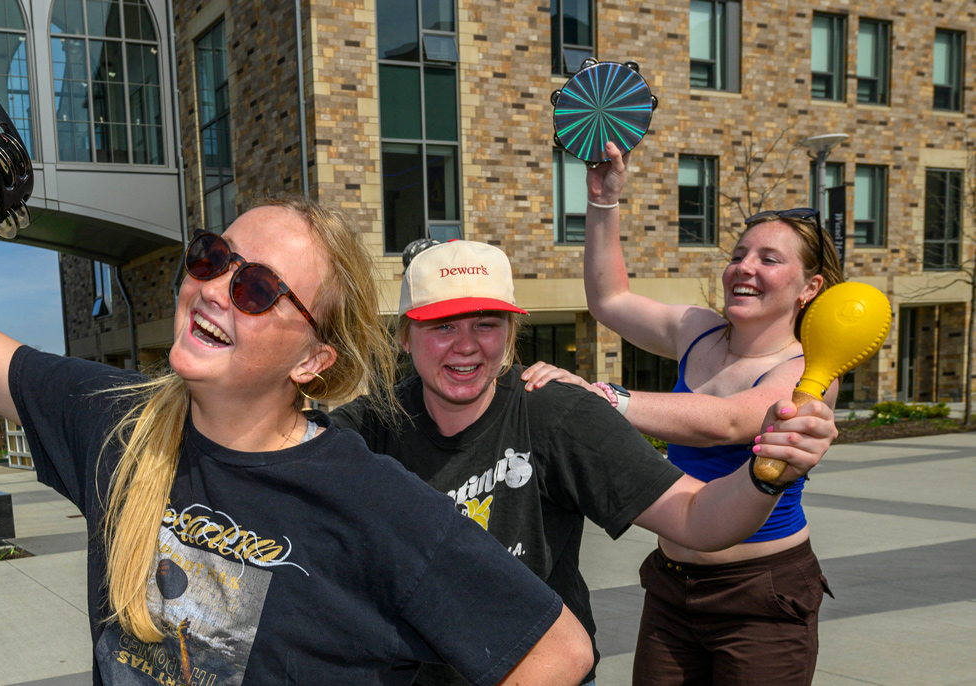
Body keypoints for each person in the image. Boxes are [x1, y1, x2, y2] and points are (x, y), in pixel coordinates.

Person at [0, 147, 593, 685]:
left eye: (257, 288)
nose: (217, 289)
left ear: (312, 359)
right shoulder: (117, 424)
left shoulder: (371, 500)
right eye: (213, 257)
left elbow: (557, 651)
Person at [331, 236, 837, 686]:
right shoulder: (372, 425)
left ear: (510, 331)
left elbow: (695, 517)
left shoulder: (556, 411)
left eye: (486, 324)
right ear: (405, 336)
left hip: (548, 671)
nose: (467, 345)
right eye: (443, 326)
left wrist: (768, 475)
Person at [522, 140, 845, 684]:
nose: (743, 268)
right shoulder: (698, 330)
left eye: (768, 260)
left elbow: (728, 421)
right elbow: (609, 300)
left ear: (809, 287)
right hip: (672, 587)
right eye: (738, 255)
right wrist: (603, 200)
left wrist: (602, 397)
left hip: (761, 596)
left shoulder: (809, 370)